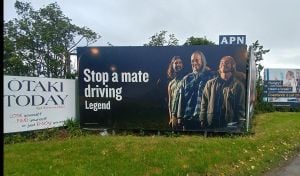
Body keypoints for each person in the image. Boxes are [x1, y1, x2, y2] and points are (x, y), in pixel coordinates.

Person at [199, 56, 245, 130]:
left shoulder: (238, 85)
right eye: (222, 62)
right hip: (212, 123)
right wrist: (202, 119)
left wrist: (240, 124)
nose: (224, 64)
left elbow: (240, 107)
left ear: (232, 66)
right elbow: (204, 103)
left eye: (227, 62)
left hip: (229, 124)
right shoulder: (210, 84)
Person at [177, 51, 214, 130]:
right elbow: (181, 99)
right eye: (192, 61)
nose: (195, 63)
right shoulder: (186, 78)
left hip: (203, 119)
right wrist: (179, 117)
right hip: (187, 118)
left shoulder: (211, 76)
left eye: (197, 60)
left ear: (202, 61)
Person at [167, 56, 184, 129]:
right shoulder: (171, 84)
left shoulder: (187, 79)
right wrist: (171, 117)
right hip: (174, 116)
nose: (178, 64)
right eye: (176, 63)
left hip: (184, 114)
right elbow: (170, 102)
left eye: (180, 63)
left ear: (182, 65)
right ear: (172, 65)